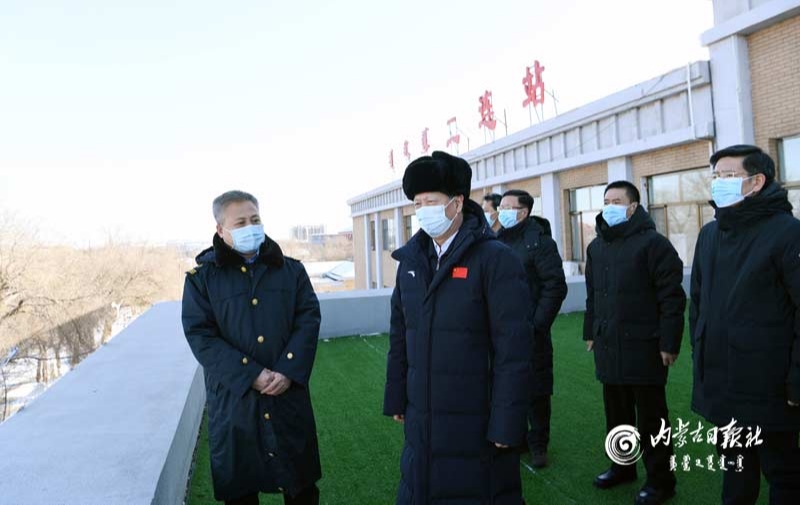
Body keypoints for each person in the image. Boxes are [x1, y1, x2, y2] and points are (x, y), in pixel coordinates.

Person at [384, 151, 532, 505]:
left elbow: (514, 347)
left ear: (457, 202)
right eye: (417, 204)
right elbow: (400, 333)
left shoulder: (495, 259)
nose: (423, 211)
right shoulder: (410, 261)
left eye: (431, 202)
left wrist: (507, 421)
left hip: (476, 416)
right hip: (423, 413)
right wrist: (397, 395)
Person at [182, 190, 322, 505]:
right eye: (241, 222)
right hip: (236, 402)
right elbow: (201, 335)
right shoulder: (201, 280)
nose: (251, 227)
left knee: (300, 485)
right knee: (241, 488)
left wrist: (287, 370)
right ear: (221, 230)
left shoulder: (291, 271)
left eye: (255, 219)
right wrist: (251, 375)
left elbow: (308, 319)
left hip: (287, 396)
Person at [690, 145, 800, 504]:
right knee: (735, 467)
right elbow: (698, 303)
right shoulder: (710, 234)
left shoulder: (787, 233)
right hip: (723, 379)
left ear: (757, 182)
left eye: (729, 176)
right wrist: (700, 352)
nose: (718, 183)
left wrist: (796, 379)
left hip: (769, 382)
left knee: (783, 472)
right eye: (716, 176)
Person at [584, 181, 685, 505]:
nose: (609, 206)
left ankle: (661, 481)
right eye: (606, 200)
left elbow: (672, 298)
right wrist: (590, 332)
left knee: (652, 419)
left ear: (632, 207)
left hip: (645, 347)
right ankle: (622, 467)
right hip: (608, 345)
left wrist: (669, 343)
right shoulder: (596, 247)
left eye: (616, 201)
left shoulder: (654, 245)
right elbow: (593, 295)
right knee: (617, 414)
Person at [497, 189, 567, 468]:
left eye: (508, 207)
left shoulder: (540, 243)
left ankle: (539, 444)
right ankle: (518, 437)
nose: (501, 212)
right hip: (502, 330)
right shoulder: (496, 241)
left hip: (532, 331)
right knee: (509, 386)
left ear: (524, 212)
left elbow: (555, 286)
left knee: (537, 389)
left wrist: (537, 324)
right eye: (500, 207)